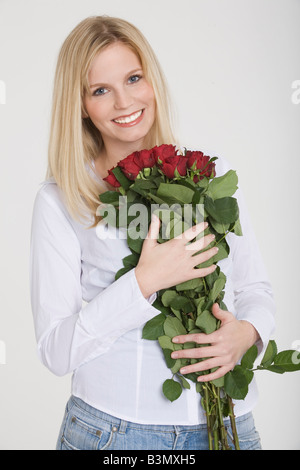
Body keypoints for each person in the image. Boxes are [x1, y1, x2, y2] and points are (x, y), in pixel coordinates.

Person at [30, 16, 275, 451]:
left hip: (230, 426)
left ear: (152, 80)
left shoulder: (204, 175)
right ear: (81, 104)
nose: (124, 101)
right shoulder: (61, 199)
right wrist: (143, 283)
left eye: (133, 78)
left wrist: (248, 333)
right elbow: (55, 351)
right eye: (100, 90)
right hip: (113, 434)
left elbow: (254, 285)